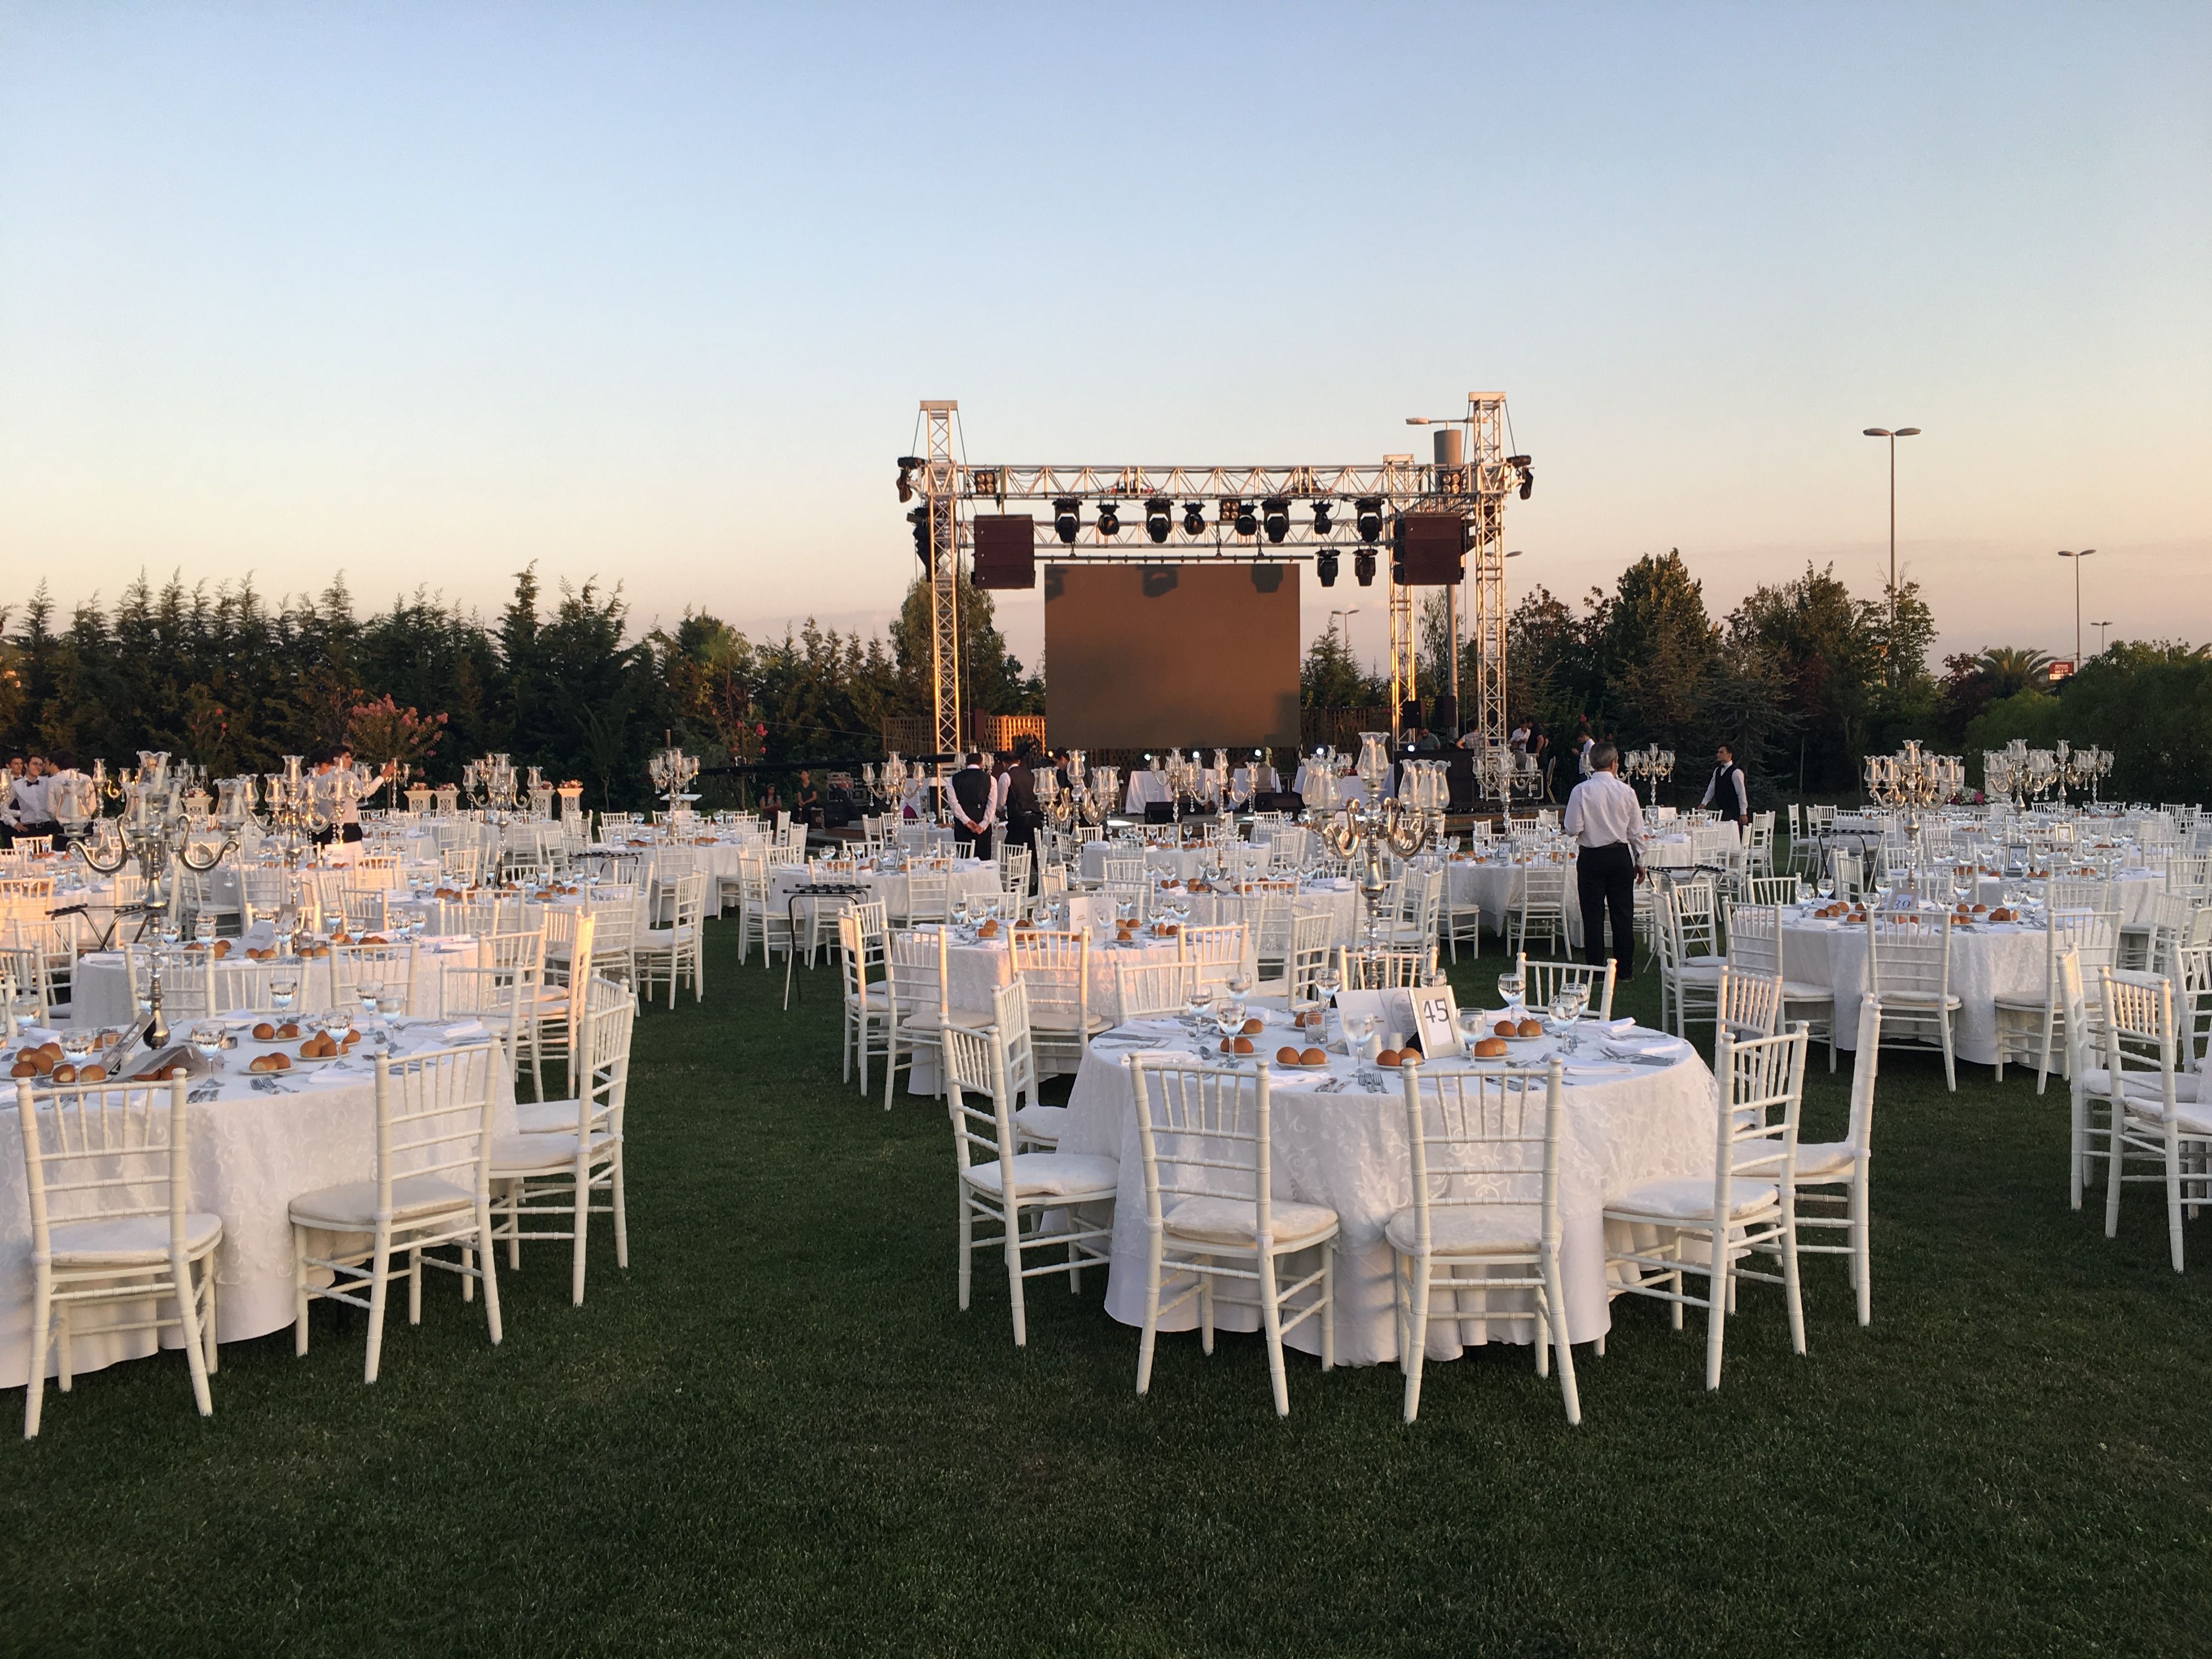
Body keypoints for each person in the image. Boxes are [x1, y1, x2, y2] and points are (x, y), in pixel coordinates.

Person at [1564, 740, 1645, 980]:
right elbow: (1636, 832)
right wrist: (1641, 860)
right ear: (1614, 764)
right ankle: (1625, 970)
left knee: (1593, 916)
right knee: (1623, 914)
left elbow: (1572, 828)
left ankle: (1596, 971)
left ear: (1591, 763)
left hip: (1592, 857)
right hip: (1619, 856)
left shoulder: (1581, 791)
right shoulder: (1627, 791)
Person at [948, 752, 994, 860]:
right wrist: (983, 824)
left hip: (962, 828)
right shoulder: (990, 779)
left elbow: (954, 805)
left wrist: (967, 821)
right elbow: (992, 804)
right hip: (983, 829)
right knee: (984, 862)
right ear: (981, 764)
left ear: (966, 764)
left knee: (965, 861)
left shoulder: (953, 779)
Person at [1701, 743, 1751, 830]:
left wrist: (1743, 813)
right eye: (1718, 752)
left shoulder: (1736, 773)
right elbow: (1711, 788)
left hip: (1734, 812)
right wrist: (1704, 802)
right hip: (1722, 811)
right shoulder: (1717, 771)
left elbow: (1741, 793)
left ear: (1729, 755)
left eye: (1721, 752)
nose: (1718, 755)